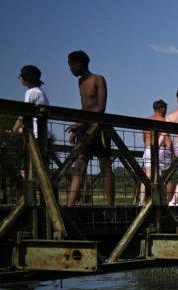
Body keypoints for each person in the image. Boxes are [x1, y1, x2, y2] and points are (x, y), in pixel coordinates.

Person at [66, 50, 113, 207]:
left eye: (71, 66)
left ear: (79, 65)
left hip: (99, 128)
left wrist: (80, 124)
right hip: (84, 128)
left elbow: (100, 107)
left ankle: (111, 206)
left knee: (104, 165)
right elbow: (84, 107)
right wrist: (78, 129)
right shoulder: (80, 82)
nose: (70, 69)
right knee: (80, 165)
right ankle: (69, 207)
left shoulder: (98, 80)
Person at [7, 65, 49, 179]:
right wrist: (17, 131)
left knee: (27, 169)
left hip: (34, 137)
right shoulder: (40, 92)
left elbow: (24, 116)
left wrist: (13, 132)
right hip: (41, 134)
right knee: (33, 168)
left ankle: (26, 194)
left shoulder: (31, 92)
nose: (20, 78)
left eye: (22, 76)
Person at [140, 100, 173, 205]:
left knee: (147, 176)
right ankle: (172, 202)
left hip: (148, 149)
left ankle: (142, 201)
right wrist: (172, 153)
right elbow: (167, 139)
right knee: (167, 177)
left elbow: (144, 139)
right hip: (161, 150)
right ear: (163, 109)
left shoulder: (147, 121)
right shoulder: (164, 121)